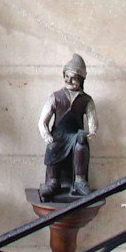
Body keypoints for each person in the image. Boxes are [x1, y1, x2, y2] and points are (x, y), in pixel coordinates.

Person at [38, 54, 97, 201]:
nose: (69, 81)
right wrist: (46, 134)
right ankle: (53, 182)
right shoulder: (56, 97)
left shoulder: (86, 100)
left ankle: (79, 181)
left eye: (74, 78)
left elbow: (92, 118)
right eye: (67, 77)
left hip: (75, 134)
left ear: (81, 80)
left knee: (81, 144)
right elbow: (42, 121)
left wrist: (92, 130)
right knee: (52, 147)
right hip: (59, 134)